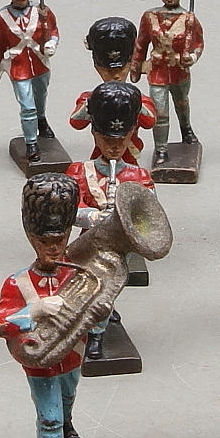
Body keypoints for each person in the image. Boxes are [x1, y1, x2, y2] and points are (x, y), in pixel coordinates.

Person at [0, 174, 85, 438]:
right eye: (46, 242)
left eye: (60, 240)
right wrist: (34, 310)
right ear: (33, 238)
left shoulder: (77, 275)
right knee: (49, 417)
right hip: (39, 362)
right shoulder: (18, 283)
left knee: (68, 397)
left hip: (72, 354)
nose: (54, 248)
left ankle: (68, 426)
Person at [65, 82, 156, 361]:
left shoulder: (138, 176)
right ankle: (94, 326)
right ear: (95, 135)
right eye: (107, 141)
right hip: (88, 242)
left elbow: (149, 213)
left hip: (117, 247)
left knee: (107, 287)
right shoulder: (80, 171)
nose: (114, 147)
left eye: (121, 140)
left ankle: (99, 326)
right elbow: (69, 208)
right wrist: (90, 215)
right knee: (90, 285)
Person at [131, 0, 203, 164]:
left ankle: (186, 129)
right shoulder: (150, 17)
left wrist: (192, 57)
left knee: (181, 102)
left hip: (179, 71)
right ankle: (161, 148)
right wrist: (135, 67)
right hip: (158, 72)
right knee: (160, 111)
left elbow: (198, 44)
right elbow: (141, 44)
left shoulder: (189, 19)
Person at [0, 0, 59, 163]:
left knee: (40, 96)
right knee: (26, 105)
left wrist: (52, 43)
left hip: (40, 63)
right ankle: (31, 142)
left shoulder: (42, 12)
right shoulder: (1, 18)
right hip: (18, 67)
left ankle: (41, 119)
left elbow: (54, 31)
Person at [69, 17, 155, 163]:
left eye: (121, 69)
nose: (116, 75)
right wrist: (91, 104)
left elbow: (150, 122)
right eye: (108, 70)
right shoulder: (90, 98)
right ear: (97, 67)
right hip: (101, 151)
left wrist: (135, 102)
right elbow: (76, 123)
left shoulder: (139, 98)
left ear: (131, 63)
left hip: (128, 151)